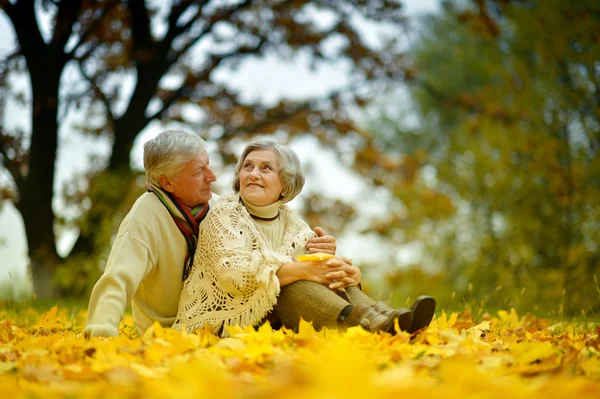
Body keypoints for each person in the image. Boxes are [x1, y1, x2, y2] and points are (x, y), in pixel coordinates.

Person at [84, 130, 337, 337]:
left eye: (208, 165)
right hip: (170, 334)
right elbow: (117, 279)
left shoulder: (220, 208)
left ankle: (355, 322)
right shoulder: (145, 216)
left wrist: (314, 253)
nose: (212, 177)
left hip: (234, 317)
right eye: (198, 172)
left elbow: (265, 258)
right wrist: (101, 333)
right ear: (167, 182)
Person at [174, 139, 436, 336]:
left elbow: (319, 272)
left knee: (325, 269)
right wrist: (303, 269)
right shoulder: (223, 215)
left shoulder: (295, 225)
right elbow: (235, 275)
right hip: (221, 323)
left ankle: (387, 318)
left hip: (272, 323)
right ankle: (366, 324)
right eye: (248, 167)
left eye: (266, 168)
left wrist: (344, 271)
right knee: (290, 279)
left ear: (285, 184)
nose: (253, 173)